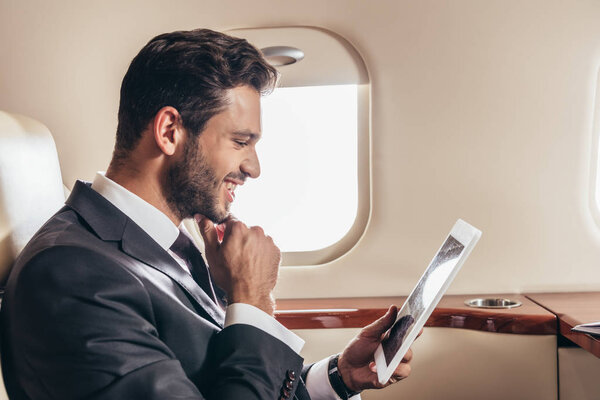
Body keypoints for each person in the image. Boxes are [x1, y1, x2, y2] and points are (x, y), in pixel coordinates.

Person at [0, 28, 414, 399]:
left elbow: (219, 382)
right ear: (169, 132)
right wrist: (251, 301)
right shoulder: (72, 277)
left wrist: (338, 377)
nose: (254, 168)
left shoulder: (163, 245)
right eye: (240, 141)